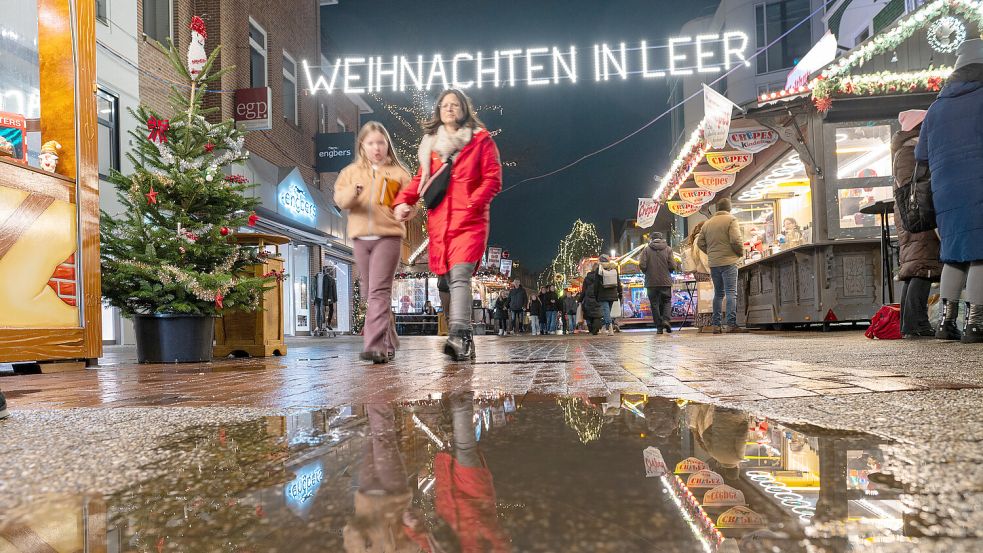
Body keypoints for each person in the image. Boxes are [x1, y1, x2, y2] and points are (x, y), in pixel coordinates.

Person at [394, 89, 502, 360]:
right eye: (445, 105)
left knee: (460, 275)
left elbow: (493, 179)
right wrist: (404, 200)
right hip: (440, 224)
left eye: (455, 105)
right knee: (446, 278)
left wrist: (472, 204)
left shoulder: (480, 141)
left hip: (470, 221)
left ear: (464, 109)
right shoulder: (431, 145)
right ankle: (464, 338)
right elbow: (421, 179)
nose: (450, 109)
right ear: (439, 111)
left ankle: (459, 336)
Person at [914, 39, 983, 343]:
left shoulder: (935, 108)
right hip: (978, 185)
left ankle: (945, 322)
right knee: (980, 254)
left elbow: (921, 157)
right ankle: (977, 323)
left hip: (945, 192)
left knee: (954, 255)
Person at [335, 121, 411, 364]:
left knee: (378, 292)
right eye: (371, 143)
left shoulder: (399, 173)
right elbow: (340, 200)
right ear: (362, 146)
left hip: (388, 236)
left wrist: (406, 210)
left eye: (380, 142)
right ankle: (389, 340)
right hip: (360, 238)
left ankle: (374, 344)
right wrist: (353, 192)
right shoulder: (350, 173)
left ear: (387, 144)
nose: (376, 147)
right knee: (371, 293)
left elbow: (410, 202)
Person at [892, 109, 942, 339]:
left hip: (911, 215)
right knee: (922, 268)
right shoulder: (909, 151)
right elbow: (911, 183)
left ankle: (910, 324)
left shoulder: (906, 149)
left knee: (915, 268)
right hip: (918, 214)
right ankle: (916, 323)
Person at [698, 198, 747, 334]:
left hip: (714, 263)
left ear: (717, 209)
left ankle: (716, 325)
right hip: (729, 261)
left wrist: (711, 253)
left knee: (718, 294)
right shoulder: (731, 220)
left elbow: (700, 243)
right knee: (731, 293)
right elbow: (736, 240)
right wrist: (740, 253)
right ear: (729, 208)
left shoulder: (707, 223)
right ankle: (731, 324)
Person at [639, 231, 678, 334]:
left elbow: (642, 265)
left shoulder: (646, 250)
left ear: (651, 239)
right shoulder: (668, 249)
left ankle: (659, 328)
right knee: (666, 301)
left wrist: (648, 272)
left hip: (651, 282)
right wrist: (668, 270)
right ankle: (666, 320)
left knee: (654, 304)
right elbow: (673, 265)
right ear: (661, 238)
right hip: (665, 281)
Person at [682, 221, 713, 332]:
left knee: (702, 299)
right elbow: (704, 258)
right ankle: (707, 324)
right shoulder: (701, 240)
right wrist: (711, 271)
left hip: (699, 272)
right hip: (704, 271)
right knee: (708, 299)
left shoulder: (696, 239)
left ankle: (701, 324)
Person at [595, 255, 624, 336]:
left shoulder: (599, 270)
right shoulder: (613, 268)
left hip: (602, 294)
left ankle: (610, 328)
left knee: (606, 312)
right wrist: (620, 293)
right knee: (607, 312)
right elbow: (618, 283)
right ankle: (604, 327)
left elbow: (596, 284)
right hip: (613, 293)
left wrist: (595, 294)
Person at [579, 262, 606, 335]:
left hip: (588, 299)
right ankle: (595, 329)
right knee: (597, 315)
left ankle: (591, 328)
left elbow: (583, 290)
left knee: (588, 314)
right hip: (598, 298)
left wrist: (580, 300)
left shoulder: (587, 278)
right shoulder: (601, 277)